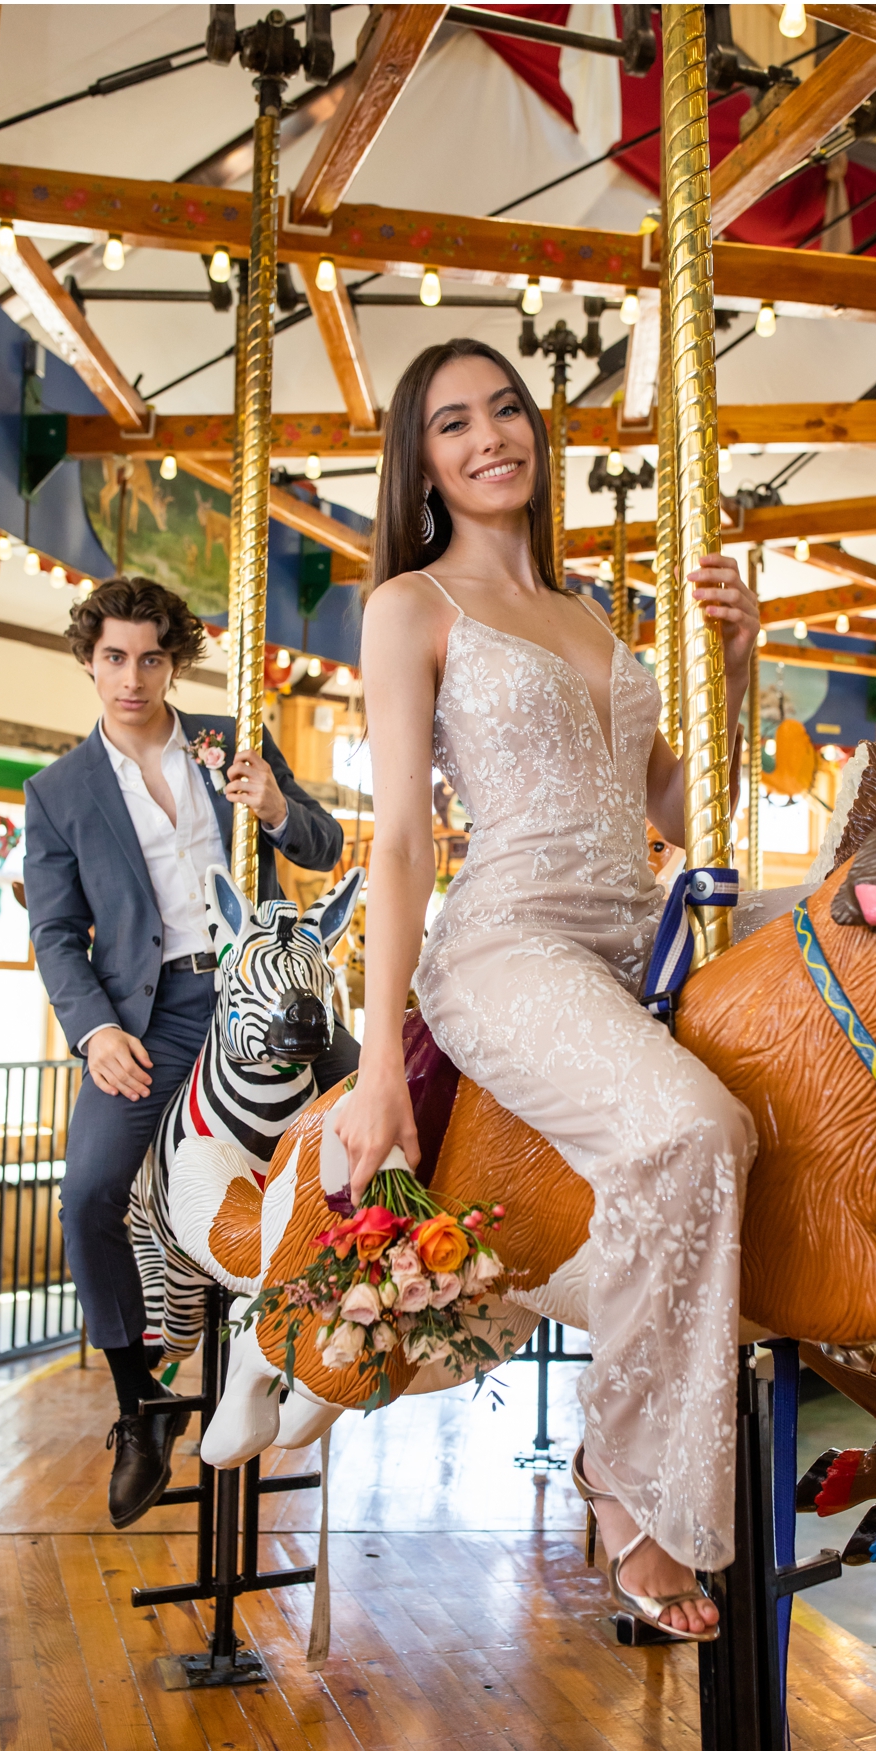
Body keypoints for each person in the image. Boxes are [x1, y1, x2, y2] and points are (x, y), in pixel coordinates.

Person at [338, 338, 757, 1640]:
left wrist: (738, 661)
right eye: (452, 420)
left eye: (505, 408)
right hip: (508, 944)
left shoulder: (592, 615)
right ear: (425, 459)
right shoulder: (412, 605)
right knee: (694, 1126)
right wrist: (371, 1061)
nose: (488, 436)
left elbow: (687, 808)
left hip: (638, 939)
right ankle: (623, 1478)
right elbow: (401, 836)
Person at [25, 575, 358, 1526]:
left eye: (152, 658)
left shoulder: (226, 741)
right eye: (115, 658)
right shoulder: (56, 794)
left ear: (175, 661)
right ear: (90, 661)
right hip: (155, 1010)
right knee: (88, 1192)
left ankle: (341, 1333)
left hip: (266, 985)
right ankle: (141, 1407)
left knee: (383, 1107)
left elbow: (324, 846)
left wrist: (274, 812)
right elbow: (55, 933)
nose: (133, 678)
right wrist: (95, 1032)